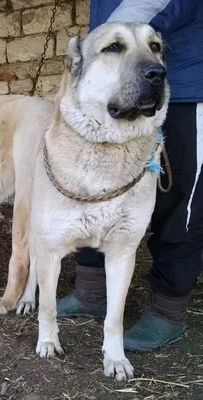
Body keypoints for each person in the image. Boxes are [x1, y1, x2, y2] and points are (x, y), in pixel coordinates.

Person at [57, 0, 203, 351]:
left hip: (185, 85)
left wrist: (95, 46)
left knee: (178, 203)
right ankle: (91, 291)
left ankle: (167, 309)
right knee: (95, 189)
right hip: (113, 87)